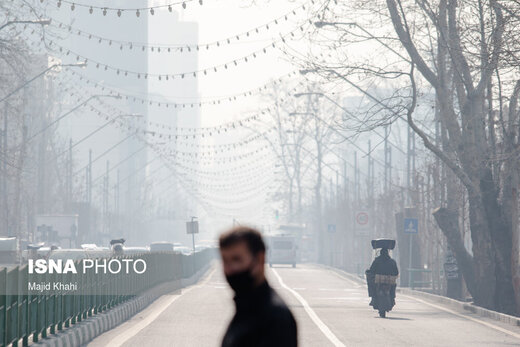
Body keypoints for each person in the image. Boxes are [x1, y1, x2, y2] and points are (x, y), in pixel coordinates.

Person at [219, 226, 297, 347]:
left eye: (237, 260)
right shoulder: (245, 308)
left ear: (259, 259)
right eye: (225, 261)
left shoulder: (275, 317)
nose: (229, 269)